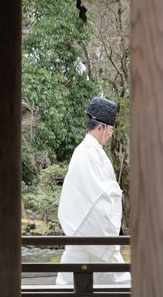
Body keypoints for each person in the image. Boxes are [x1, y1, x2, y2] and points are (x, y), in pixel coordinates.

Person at [56, 96, 131, 286]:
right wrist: (115, 193)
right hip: (89, 225)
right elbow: (96, 194)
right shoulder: (87, 151)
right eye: (111, 129)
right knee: (115, 281)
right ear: (100, 128)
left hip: (86, 227)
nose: (111, 134)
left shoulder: (91, 151)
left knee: (76, 280)